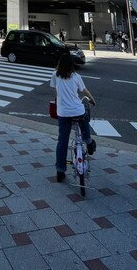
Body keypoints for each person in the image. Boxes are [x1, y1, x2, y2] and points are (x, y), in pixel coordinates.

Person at [50, 52, 96, 183]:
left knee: (62, 141)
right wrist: (93, 99)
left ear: (59, 64)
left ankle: (60, 171)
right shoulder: (76, 77)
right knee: (84, 117)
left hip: (63, 113)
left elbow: (56, 91)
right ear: (71, 65)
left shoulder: (55, 75)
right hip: (77, 111)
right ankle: (88, 141)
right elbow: (84, 91)